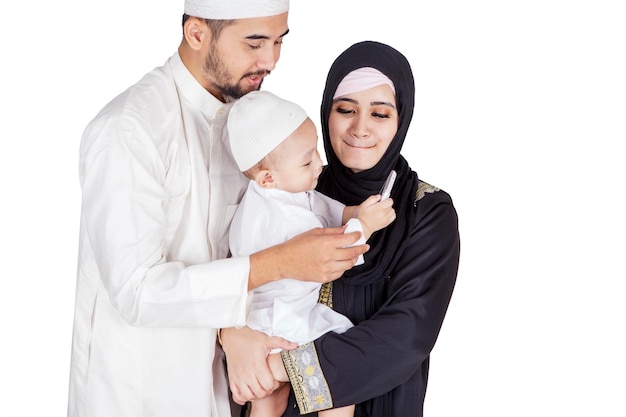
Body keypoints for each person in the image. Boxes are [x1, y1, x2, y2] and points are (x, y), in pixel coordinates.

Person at [67, 1, 370, 416]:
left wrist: (233, 329)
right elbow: (136, 292)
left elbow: (228, 252)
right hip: (135, 395)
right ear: (196, 34)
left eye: (279, 41)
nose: (271, 60)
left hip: (222, 389)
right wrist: (281, 263)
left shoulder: (250, 129)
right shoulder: (130, 130)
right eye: (255, 43)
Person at [221, 40, 460, 417]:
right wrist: (230, 335)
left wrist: (282, 366)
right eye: (345, 109)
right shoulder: (290, 189)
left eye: (380, 114)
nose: (359, 128)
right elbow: (218, 277)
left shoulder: (425, 210)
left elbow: (406, 335)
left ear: (401, 121)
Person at [226, 90, 396, 417]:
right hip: (283, 315)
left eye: (315, 150)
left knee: (269, 399)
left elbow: (319, 204)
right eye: (307, 161)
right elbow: (331, 251)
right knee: (339, 372)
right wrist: (365, 225)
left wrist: (350, 212)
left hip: (264, 314)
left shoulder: (273, 191)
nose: (319, 163)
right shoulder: (280, 220)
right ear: (267, 176)